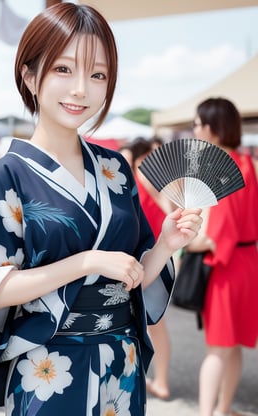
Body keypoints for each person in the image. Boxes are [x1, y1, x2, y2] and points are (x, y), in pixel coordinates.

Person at [0, 2, 202, 415]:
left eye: (98, 74)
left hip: (120, 362)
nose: (81, 89)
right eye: (63, 69)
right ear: (30, 75)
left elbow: (130, 277)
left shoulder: (115, 169)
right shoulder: (8, 175)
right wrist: (86, 262)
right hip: (48, 367)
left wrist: (163, 245)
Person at [187, 97, 258, 416]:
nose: (195, 129)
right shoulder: (247, 163)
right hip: (249, 263)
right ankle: (223, 408)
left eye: (199, 124)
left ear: (214, 128)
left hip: (225, 268)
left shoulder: (218, 167)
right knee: (236, 344)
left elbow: (215, 237)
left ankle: (206, 413)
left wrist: (190, 244)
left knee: (217, 349)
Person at [130, 137, 173, 400]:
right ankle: (158, 380)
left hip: (152, 256)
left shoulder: (152, 181)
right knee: (151, 324)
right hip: (143, 256)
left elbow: (168, 211)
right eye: (152, 155)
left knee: (154, 324)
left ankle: (162, 381)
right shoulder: (141, 179)